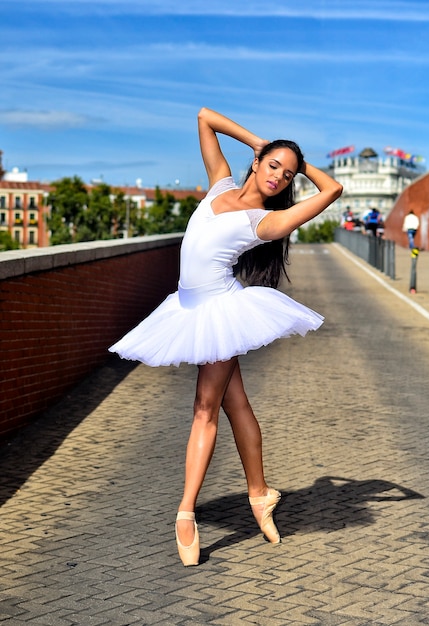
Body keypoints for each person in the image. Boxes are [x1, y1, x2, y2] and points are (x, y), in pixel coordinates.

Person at [109, 107, 343, 566]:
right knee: (236, 405)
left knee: (204, 409)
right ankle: (259, 496)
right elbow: (204, 117)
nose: (279, 177)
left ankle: (185, 513)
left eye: (288, 174)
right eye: (273, 165)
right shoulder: (219, 182)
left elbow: (332, 189)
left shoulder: (266, 221)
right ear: (256, 162)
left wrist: (298, 161)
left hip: (219, 310)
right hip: (186, 306)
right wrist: (261, 142)